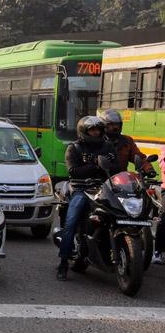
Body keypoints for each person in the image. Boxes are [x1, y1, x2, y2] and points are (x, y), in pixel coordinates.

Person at [57, 116, 117, 280]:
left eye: (98, 129)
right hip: (81, 188)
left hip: (105, 189)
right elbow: (74, 172)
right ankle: (63, 263)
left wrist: (111, 164)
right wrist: (95, 165)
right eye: (92, 130)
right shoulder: (74, 148)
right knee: (71, 223)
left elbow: (117, 168)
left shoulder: (108, 146)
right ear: (84, 131)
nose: (96, 132)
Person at [100, 109, 155, 176]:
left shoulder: (127, 140)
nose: (115, 127)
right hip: (100, 180)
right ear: (103, 126)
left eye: (117, 125)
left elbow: (138, 156)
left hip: (121, 180)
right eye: (111, 125)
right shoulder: (97, 141)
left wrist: (148, 168)